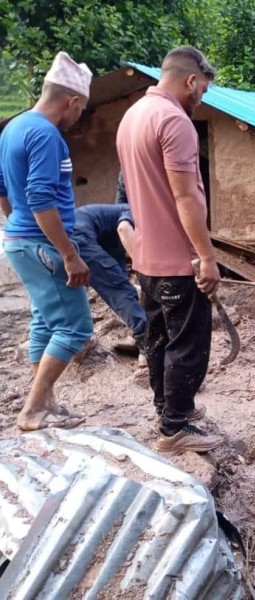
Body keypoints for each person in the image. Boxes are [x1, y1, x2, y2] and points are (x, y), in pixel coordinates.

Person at [116, 46, 222, 454]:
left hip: (146, 259)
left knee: (158, 339)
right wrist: (207, 256)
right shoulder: (174, 121)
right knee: (188, 345)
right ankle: (174, 428)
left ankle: (168, 409)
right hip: (180, 261)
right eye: (202, 91)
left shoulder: (132, 116)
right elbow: (186, 198)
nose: (200, 99)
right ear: (191, 81)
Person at [0, 51, 93, 431]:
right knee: (76, 327)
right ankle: (33, 409)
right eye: (80, 110)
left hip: (22, 240)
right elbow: (40, 198)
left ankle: (47, 403)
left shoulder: (14, 127)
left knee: (44, 321)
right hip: (43, 245)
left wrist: (16, 225)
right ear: (72, 101)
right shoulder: (45, 134)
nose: (77, 118)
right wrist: (69, 254)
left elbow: (3, 190)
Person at [72, 204, 146, 356]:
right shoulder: (133, 209)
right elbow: (124, 229)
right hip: (79, 237)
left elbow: (116, 264)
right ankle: (146, 341)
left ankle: (76, 343)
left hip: (60, 240)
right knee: (121, 290)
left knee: (74, 292)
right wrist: (142, 267)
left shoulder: (107, 228)